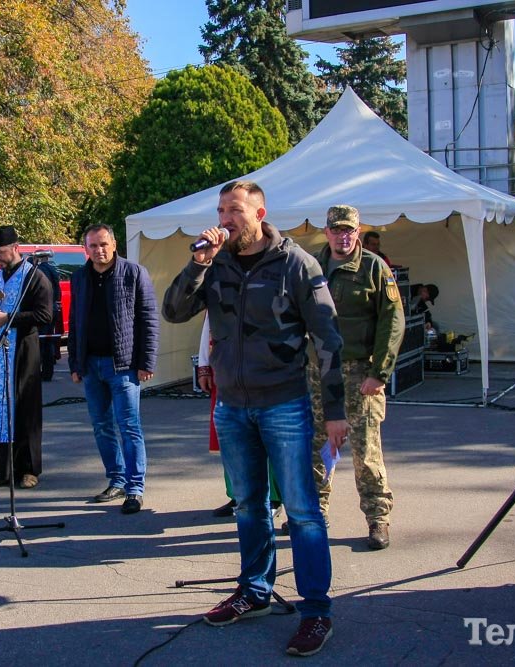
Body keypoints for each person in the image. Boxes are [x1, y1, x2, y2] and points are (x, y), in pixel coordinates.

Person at [163, 180, 347, 657]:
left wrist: (335, 412)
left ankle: (316, 611)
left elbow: (328, 339)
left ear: (260, 213)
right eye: (221, 210)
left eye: (235, 210)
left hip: (284, 403)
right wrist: (198, 263)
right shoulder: (216, 263)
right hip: (232, 406)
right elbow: (174, 311)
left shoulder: (296, 264)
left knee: (302, 511)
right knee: (248, 505)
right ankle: (255, 591)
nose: (225, 219)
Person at [308, 205, 404, 550]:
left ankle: (378, 519)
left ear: (358, 230)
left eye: (348, 230)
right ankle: (314, 514)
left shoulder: (374, 268)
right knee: (316, 448)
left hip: (360, 372)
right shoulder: (312, 267)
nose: (343, 236)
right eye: (336, 230)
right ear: (327, 231)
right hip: (319, 373)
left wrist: (379, 372)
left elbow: (392, 321)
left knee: (366, 452)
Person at [68, 224, 159, 515]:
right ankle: (117, 479)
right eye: (93, 246)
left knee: (129, 426)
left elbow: (149, 320)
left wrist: (146, 362)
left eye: (104, 244)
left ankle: (135, 488)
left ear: (114, 244)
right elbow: (75, 322)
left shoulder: (134, 273)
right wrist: (75, 363)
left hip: (124, 365)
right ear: (86, 249)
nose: (99, 250)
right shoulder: (80, 277)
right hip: (91, 365)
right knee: (101, 426)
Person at [0, 225, 53, 490]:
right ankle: (1, 470)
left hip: (23, 353)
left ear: (16, 248)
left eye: (1, 252)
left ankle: (28, 469)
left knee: (24, 409)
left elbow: (45, 315)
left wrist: (8, 318)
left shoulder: (34, 277)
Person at [198, 316, 283, 520]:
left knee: (264, 435)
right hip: (225, 371)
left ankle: (273, 498)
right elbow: (209, 326)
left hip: (261, 370)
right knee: (229, 437)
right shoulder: (217, 295)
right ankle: (237, 495)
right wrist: (204, 366)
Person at [33, 252, 63, 381]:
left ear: (38, 258)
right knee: (48, 340)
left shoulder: (38, 270)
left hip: (42, 309)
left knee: (40, 342)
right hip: (53, 308)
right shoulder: (52, 269)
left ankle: (40, 372)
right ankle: (48, 372)